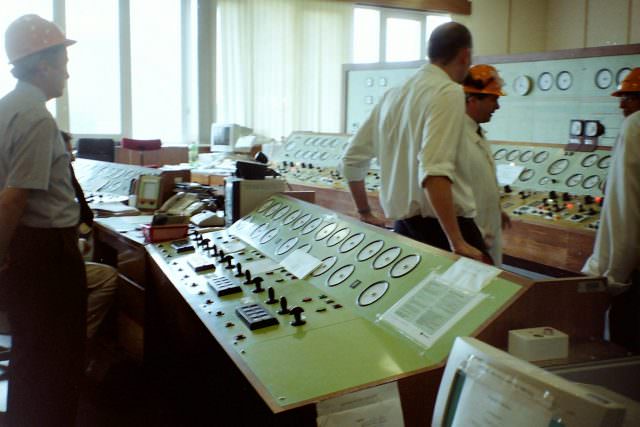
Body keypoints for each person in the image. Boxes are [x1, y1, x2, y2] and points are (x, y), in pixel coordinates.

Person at [340, 22, 490, 263]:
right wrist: (457, 241)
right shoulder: (448, 91)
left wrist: (364, 211)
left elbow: (352, 159)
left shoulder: (393, 94)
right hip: (444, 230)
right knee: (490, 297)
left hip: (404, 229)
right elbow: (434, 171)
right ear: (465, 55)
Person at [0, 14, 86, 426]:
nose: (67, 70)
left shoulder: (6, 108)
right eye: (61, 60)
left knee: (31, 356)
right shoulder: (35, 117)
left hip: (27, 249)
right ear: (42, 65)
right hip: (45, 255)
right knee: (56, 359)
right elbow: (14, 197)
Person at [582, 67, 640, 352]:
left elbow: (624, 213)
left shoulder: (634, 127)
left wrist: (611, 277)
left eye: (629, 97)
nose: (621, 104)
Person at [62, 131, 119, 340]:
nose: (74, 158)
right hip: (37, 275)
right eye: (68, 153)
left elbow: (83, 214)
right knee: (109, 276)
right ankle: (76, 341)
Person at [462, 65, 511, 266]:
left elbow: (479, 181)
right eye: (494, 99)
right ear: (473, 100)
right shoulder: (458, 136)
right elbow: (456, 193)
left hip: (485, 231)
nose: (497, 107)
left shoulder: (476, 133)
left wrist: (495, 210)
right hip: (473, 237)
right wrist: (476, 233)